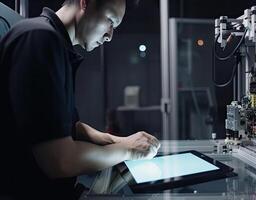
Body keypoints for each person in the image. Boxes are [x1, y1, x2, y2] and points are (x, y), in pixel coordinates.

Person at [0, 0, 160, 199]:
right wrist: (129, 149)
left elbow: (63, 127)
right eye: (110, 20)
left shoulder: (51, 40)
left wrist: (116, 140)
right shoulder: (39, 38)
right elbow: (60, 161)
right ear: (85, 3)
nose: (110, 35)